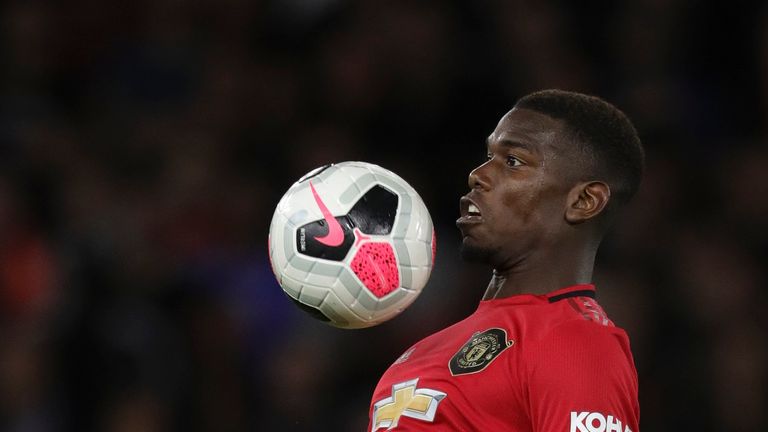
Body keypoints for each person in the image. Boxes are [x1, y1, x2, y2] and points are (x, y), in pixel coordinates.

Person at [368, 89, 643, 432]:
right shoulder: (423, 350)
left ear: (584, 200)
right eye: (488, 156)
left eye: (513, 161)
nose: (477, 174)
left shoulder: (576, 343)